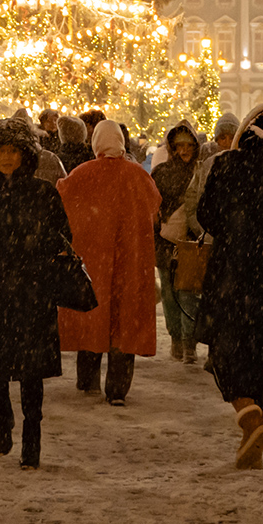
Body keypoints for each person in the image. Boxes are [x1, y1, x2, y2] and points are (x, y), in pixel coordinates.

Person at [196, 103, 263, 468]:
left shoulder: (226, 165)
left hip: (233, 270)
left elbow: (205, 215)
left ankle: (249, 418)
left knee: (227, 352)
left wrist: (235, 230)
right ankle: (253, 439)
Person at [0, 114, 73, 468]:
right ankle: (3, 416)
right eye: (0, 150)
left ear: (25, 154)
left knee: (31, 371)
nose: (7, 157)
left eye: (13, 150)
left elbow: (62, 238)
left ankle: (32, 435)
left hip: (32, 293)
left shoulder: (43, 193)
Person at [57, 118, 158, 405]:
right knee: (123, 322)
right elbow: (154, 205)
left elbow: (62, 196)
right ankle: (117, 390)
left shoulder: (83, 173)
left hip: (94, 260)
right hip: (130, 260)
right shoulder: (138, 175)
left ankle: (86, 381)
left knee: (93, 315)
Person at [151, 120, 210, 364]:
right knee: (169, 294)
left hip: (192, 242)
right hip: (166, 243)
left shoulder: (202, 171)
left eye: (188, 145)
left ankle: (189, 343)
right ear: (172, 148)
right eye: (179, 146)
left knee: (188, 294)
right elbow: (153, 207)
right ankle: (176, 338)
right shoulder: (161, 172)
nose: (184, 150)